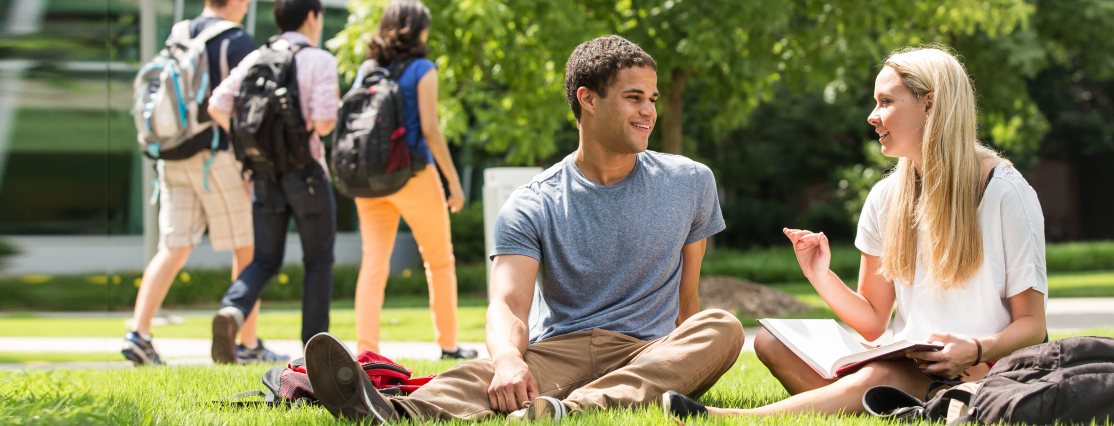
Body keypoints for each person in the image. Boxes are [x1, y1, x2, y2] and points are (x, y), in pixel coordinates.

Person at [300, 34, 745, 423]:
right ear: (587, 99)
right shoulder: (533, 202)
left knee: (722, 327)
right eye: (634, 97)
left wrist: (685, 360)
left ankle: (573, 409)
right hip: (563, 349)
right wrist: (510, 360)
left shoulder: (690, 182)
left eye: (652, 99)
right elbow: (509, 305)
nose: (648, 111)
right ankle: (388, 412)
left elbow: (688, 303)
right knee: (487, 371)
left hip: (649, 352)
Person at [664, 46, 1049, 418]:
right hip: (913, 361)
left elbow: (1033, 326)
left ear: (930, 105)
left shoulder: (1005, 192)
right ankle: (898, 404)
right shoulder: (887, 197)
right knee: (771, 343)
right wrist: (820, 275)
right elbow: (872, 320)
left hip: (985, 368)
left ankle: (727, 418)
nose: (872, 115)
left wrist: (976, 348)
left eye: (886, 102)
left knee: (877, 376)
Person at [121, 0, 262, 366]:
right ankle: (247, 344)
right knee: (246, 248)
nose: (247, 5)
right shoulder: (237, 41)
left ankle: (139, 334)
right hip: (216, 155)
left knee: (173, 246)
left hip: (172, 155)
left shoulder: (179, 33)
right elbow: (243, 106)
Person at [205, 0, 340, 364]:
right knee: (318, 261)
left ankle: (232, 310)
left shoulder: (255, 57)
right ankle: (316, 352)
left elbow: (218, 105)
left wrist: (257, 142)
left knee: (264, 259)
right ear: (312, 17)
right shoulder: (319, 59)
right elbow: (326, 121)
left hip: (263, 176)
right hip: (306, 173)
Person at [347, 0, 474, 360]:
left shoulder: (366, 69)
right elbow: (432, 131)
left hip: (370, 180)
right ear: (418, 30)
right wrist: (454, 183)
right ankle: (448, 345)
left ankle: (366, 350)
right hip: (413, 175)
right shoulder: (423, 69)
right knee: (439, 261)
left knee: (373, 263)